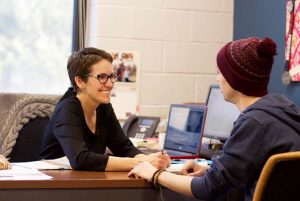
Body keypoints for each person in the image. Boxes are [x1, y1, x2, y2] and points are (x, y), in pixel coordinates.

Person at [128, 37, 300, 201]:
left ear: (233, 78)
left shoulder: (254, 122)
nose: (217, 78)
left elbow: (208, 188)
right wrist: (211, 170)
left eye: (220, 72)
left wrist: (155, 174)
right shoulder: (284, 109)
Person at [40, 47, 170, 171]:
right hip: (52, 185)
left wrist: (151, 159)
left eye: (111, 76)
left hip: (85, 181)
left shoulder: (103, 106)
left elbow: (124, 147)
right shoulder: (67, 109)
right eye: (101, 77)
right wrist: (142, 162)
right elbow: (80, 159)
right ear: (80, 81)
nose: (109, 84)